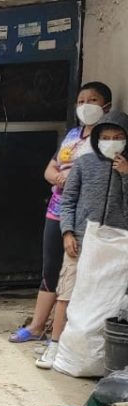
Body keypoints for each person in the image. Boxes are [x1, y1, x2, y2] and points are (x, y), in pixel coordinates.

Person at [10, 82, 113, 344]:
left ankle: (61, 332)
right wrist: (59, 177)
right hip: (57, 210)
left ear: (106, 107)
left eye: (92, 100)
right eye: (80, 101)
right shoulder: (72, 136)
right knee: (51, 268)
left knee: (77, 272)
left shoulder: (108, 141)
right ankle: (36, 326)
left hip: (84, 217)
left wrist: (74, 181)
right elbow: (49, 170)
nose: (85, 106)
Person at [37, 109, 128, 369]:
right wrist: (67, 232)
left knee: (108, 299)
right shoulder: (85, 164)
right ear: (97, 138)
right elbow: (68, 201)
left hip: (116, 246)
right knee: (67, 294)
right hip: (79, 241)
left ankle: (102, 357)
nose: (111, 141)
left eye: (118, 136)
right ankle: (55, 346)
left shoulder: (126, 168)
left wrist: (125, 175)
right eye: (106, 136)